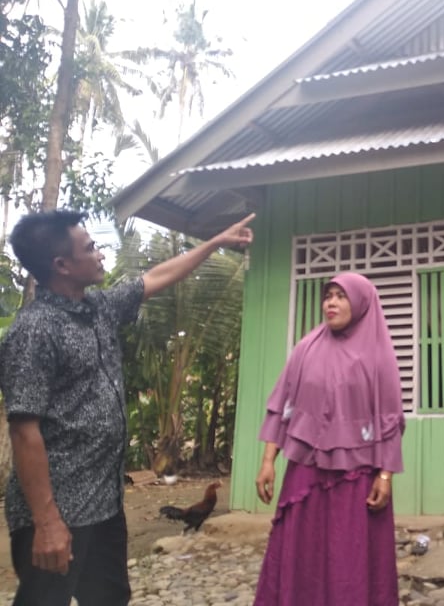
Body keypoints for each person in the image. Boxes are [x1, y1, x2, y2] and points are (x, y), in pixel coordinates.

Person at [0, 209, 255, 606]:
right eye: (90, 248)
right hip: (57, 510)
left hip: (104, 505)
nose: (100, 254)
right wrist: (46, 522)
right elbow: (23, 430)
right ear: (62, 265)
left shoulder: (99, 308)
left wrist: (216, 242)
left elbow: (156, 277)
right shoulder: (34, 331)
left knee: (110, 598)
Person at [254, 272, 405, 606]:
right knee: (302, 551)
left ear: (361, 303)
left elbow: (390, 420)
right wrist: (268, 462)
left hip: (356, 478)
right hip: (305, 472)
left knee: (348, 557)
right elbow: (283, 405)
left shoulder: (377, 356)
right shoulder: (306, 349)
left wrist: (385, 475)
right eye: (328, 296)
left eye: (340, 296)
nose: (331, 303)